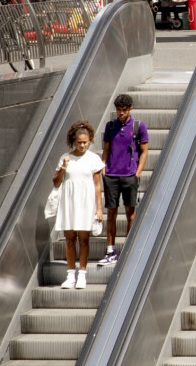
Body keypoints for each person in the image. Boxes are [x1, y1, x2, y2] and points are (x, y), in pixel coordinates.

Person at [98, 94, 149, 268]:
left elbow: (144, 151)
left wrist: (137, 173)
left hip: (129, 175)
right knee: (111, 213)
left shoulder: (138, 126)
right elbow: (106, 148)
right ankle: (110, 251)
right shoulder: (110, 126)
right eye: (119, 110)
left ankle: (129, 250)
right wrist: (104, 167)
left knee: (130, 212)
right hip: (111, 175)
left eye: (124, 110)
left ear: (130, 109)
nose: (121, 113)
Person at [53, 120, 104, 289]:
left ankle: (82, 274)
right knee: (69, 239)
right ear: (73, 141)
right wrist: (63, 167)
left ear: (89, 141)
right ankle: (70, 275)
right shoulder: (65, 158)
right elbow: (56, 182)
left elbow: (97, 185)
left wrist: (99, 209)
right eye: (79, 142)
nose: (82, 145)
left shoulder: (94, 159)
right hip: (69, 202)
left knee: (84, 239)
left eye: (85, 142)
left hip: (86, 202)